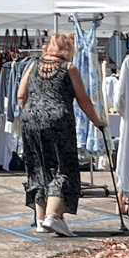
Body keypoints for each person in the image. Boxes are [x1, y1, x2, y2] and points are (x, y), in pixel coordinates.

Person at [18, 32, 106, 236]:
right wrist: (97, 121)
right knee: (62, 166)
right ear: (67, 49)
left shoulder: (32, 65)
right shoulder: (68, 68)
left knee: (38, 166)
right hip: (58, 119)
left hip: (30, 118)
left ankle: (40, 220)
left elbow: (21, 94)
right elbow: (83, 99)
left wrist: (32, 111)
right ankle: (53, 216)